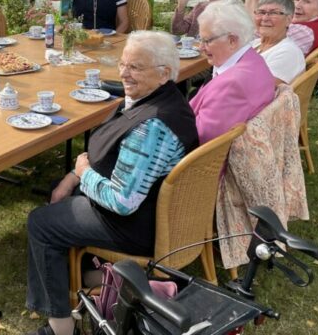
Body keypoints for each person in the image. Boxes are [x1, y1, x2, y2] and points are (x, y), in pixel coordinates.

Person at [25, 31, 198, 335]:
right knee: (57, 191)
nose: (124, 73)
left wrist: (83, 173)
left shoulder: (153, 125)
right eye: (123, 64)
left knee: (41, 223)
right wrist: (72, 177)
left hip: (132, 225)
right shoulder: (162, 100)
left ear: (164, 73)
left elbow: (122, 202)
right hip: (147, 211)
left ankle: (62, 327)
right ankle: (97, 277)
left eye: (135, 67)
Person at [190, 0, 275, 144]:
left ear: (232, 40)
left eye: (207, 41)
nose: (201, 47)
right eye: (200, 39)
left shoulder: (231, 84)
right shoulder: (253, 59)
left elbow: (203, 137)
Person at [251, 0, 305, 85]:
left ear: (288, 20)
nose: (265, 18)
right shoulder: (254, 43)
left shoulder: (288, 52)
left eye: (273, 13)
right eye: (261, 12)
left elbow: (260, 88)